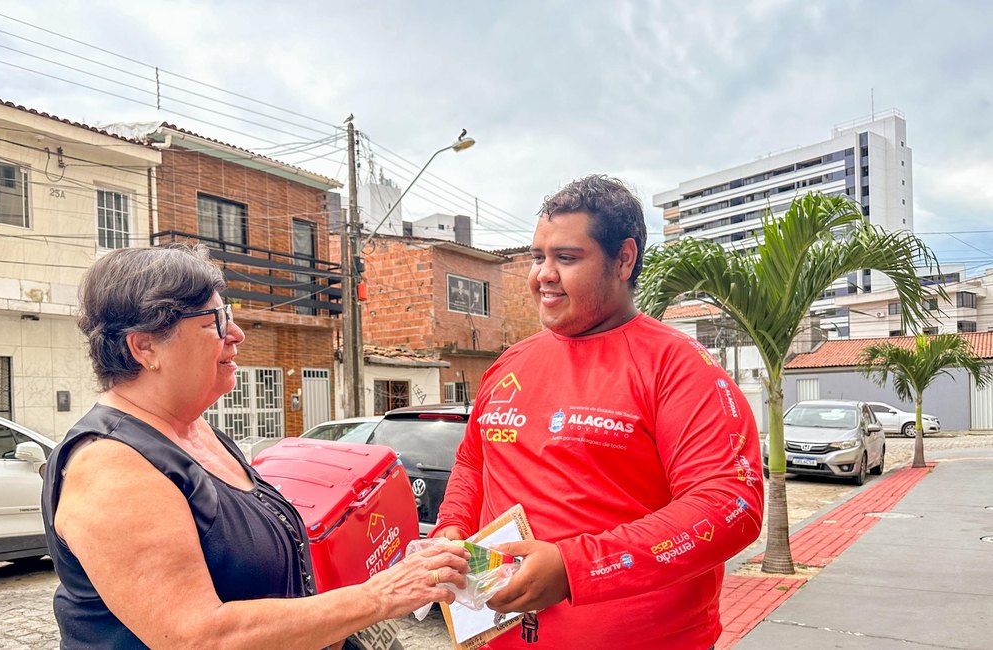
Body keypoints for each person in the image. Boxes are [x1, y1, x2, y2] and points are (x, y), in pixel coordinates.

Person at [41, 243, 469, 649]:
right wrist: (376, 598)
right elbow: (197, 637)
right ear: (145, 346)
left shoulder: (195, 431)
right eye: (215, 321)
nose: (237, 334)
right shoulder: (111, 467)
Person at [433, 176, 765, 649]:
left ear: (623, 259)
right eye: (537, 257)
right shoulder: (511, 362)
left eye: (566, 258)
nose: (542, 275)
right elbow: (474, 463)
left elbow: (731, 505)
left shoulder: (678, 367)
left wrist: (575, 568)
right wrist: (452, 530)